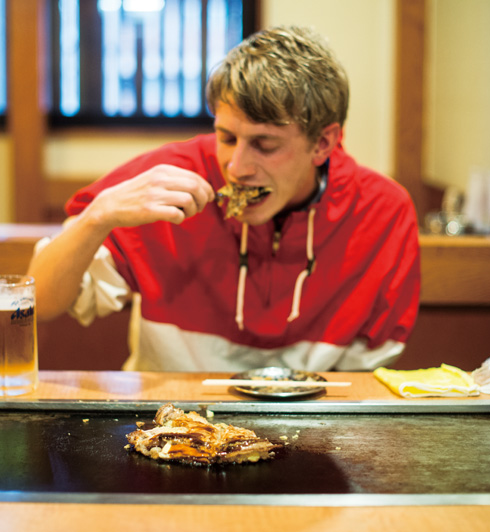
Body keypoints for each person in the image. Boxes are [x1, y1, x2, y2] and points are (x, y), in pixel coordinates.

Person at [27, 25, 421, 372]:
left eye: (264, 144)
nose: (237, 167)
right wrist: (97, 216)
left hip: (314, 427)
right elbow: (40, 302)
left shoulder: (381, 212)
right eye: (227, 138)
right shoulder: (170, 178)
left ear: (322, 143)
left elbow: (362, 383)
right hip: (167, 422)